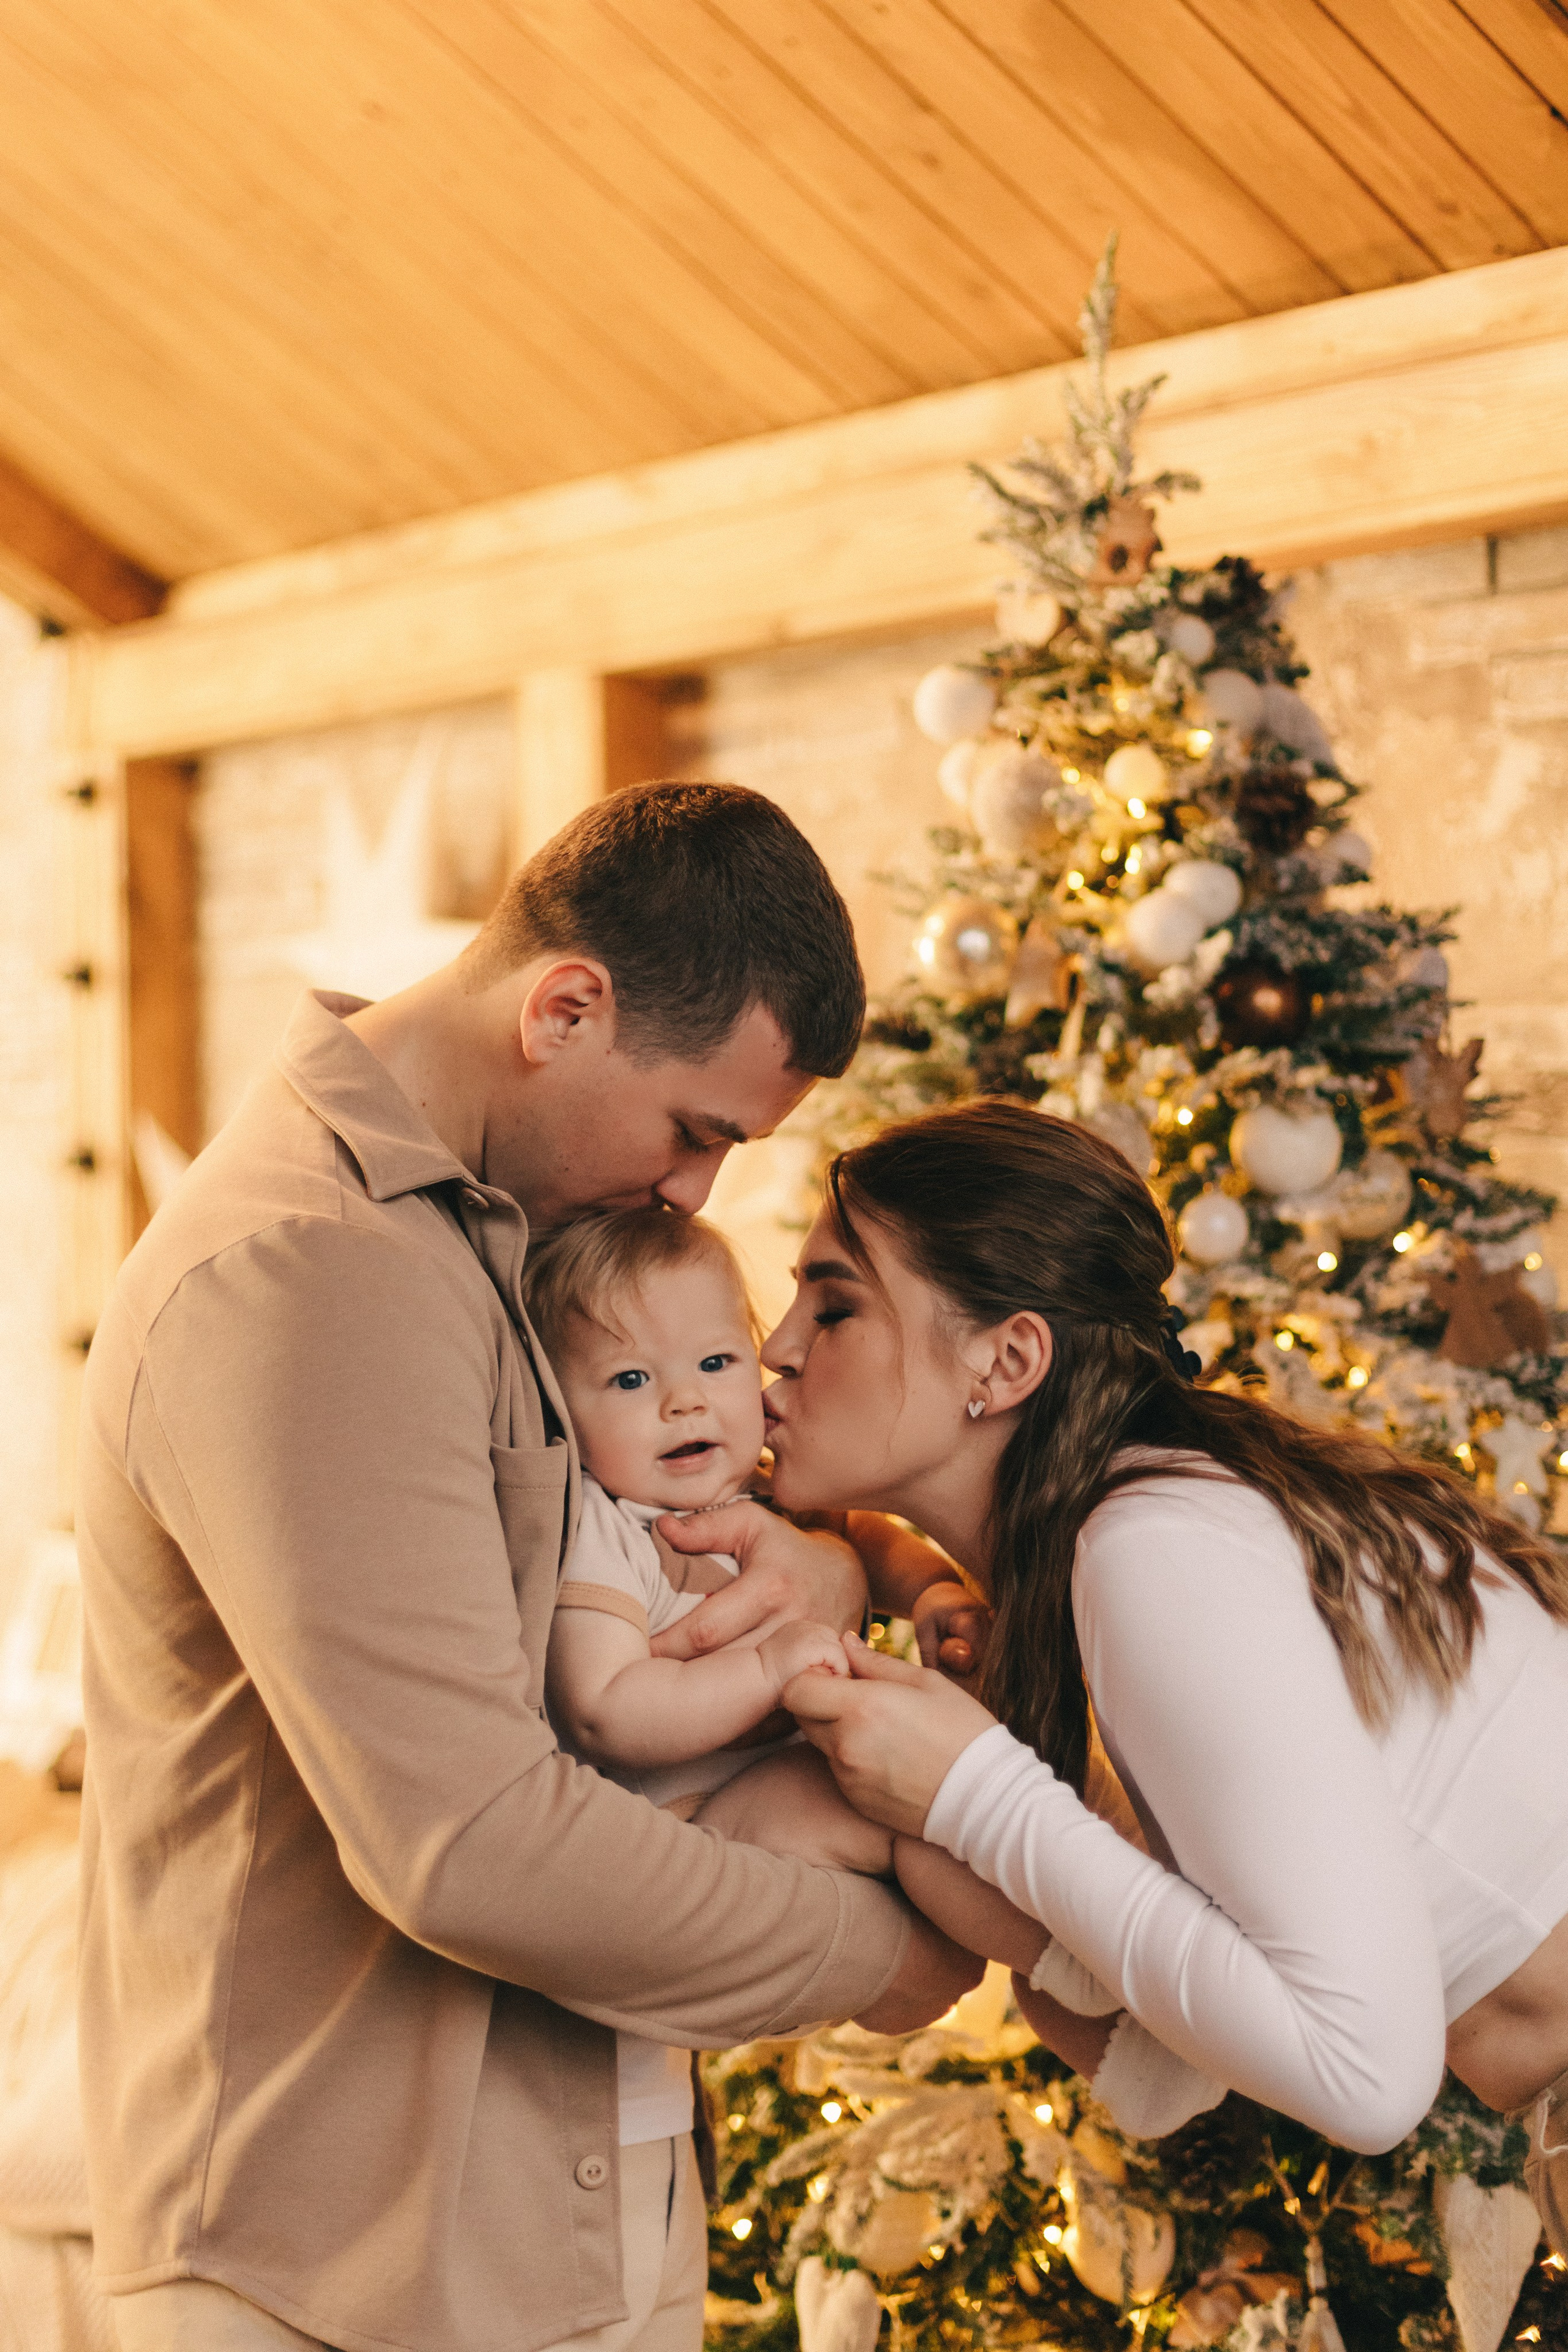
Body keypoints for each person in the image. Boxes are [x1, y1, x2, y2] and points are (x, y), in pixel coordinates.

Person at [76, 783, 978, 2352]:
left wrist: (822, 1572)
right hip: (342, 2264)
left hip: (575, 2194)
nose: (695, 1194)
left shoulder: (511, 1241)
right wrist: (882, 1956)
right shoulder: (309, 1272)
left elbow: (637, 1538)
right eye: (696, 1132)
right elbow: (469, 1840)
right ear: (564, 1008)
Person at [671, 1098, 1568, 2256]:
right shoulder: (1133, 1536)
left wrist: (976, 1794)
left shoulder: (1156, 1551)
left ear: (1007, 1360)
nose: (778, 1348)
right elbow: (1164, 2076)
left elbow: (1364, 2077)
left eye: (835, 1306)